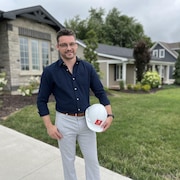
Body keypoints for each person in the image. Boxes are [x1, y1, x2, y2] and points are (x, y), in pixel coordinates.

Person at [37, 28, 114, 180]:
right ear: (57, 46)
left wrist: (109, 115)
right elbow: (41, 100)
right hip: (64, 122)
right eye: (64, 45)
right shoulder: (50, 71)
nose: (69, 48)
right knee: (68, 161)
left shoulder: (88, 68)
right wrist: (49, 126)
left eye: (72, 44)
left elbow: (100, 93)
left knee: (92, 160)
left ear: (76, 45)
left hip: (87, 121)